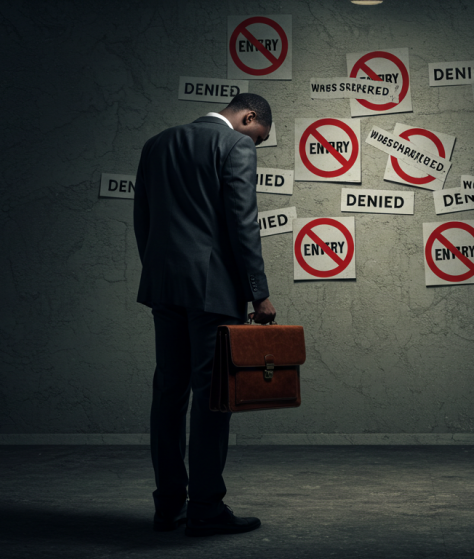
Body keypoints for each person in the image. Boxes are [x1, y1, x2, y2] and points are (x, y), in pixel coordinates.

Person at [132, 93, 276, 537]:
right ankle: (206, 507)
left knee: (168, 393)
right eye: (260, 135)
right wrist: (259, 295)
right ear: (249, 116)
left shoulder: (157, 143)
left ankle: (168, 506)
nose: (258, 143)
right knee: (214, 396)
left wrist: (159, 272)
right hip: (212, 289)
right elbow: (242, 223)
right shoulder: (235, 146)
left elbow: (144, 218)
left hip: (164, 286)